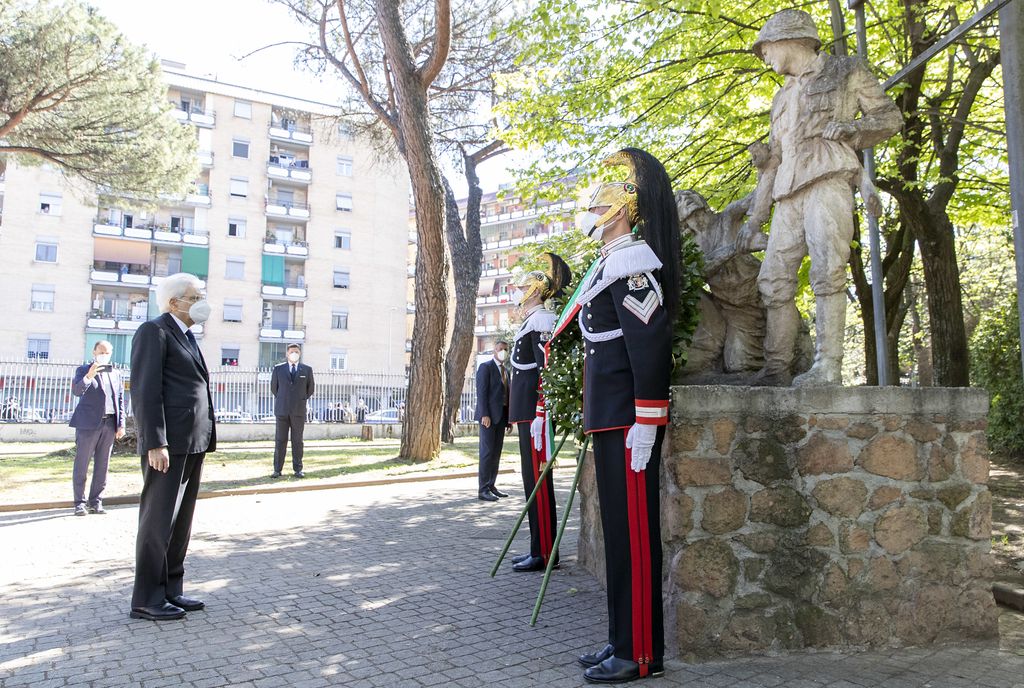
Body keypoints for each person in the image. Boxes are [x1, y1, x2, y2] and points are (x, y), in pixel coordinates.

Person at [742, 9, 902, 386]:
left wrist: (852, 127)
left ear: (786, 39)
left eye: (765, 48)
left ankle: (828, 366)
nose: (764, 57)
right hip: (787, 192)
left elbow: (890, 118)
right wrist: (754, 218)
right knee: (774, 279)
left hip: (828, 177)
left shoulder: (846, 70)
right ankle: (776, 368)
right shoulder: (780, 99)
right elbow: (774, 162)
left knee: (828, 269)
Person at [567, 148, 677, 683]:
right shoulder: (612, 265)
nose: (593, 214)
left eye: (600, 206)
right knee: (618, 537)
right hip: (609, 420)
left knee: (634, 536)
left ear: (620, 212)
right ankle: (620, 639)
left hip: (628, 422)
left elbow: (648, 348)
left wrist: (647, 420)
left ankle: (639, 655)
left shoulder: (633, 269)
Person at [129, 272, 216, 621]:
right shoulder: (154, 331)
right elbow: (146, 391)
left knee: (180, 522)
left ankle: (171, 590)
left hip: (193, 443)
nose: (201, 303)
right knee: (158, 521)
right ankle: (147, 598)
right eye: (195, 298)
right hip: (167, 445)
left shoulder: (188, 335)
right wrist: (155, 441)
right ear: (174, 302)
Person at [508, 253, 571, 572]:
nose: (517, 292)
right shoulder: (533, 321)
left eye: (522, 288)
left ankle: (546, 552)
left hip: (535, 417)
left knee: (538, 482)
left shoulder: (542, 321)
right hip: (526, 415)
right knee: (531, 481)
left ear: (534, 291)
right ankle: (538, 547)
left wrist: (541, 412)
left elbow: (546, 370)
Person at [68, 340, 125, 516]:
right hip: (88, 425)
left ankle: (96, 501)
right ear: (94, 352)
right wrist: (89, 376)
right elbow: (77, 391)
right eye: (101, 352)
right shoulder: (83, 370)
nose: (104, 355)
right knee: (82, 464)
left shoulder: (115, 373)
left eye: (107, 352)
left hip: (109, 424)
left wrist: (120, 424)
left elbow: (120, 400)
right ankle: (79, 503)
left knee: (102, 465)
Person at [270, 344, 315, 478]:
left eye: (296, 351)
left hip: (298, 411)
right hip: (282, 410)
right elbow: (274, 388)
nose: (294, 353)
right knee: (280, 440)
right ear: (287, 354)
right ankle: (277, 470)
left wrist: (299, 399)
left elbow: (310, 389)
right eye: (291, 352)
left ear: (299, 354)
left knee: (297, 441)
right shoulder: (278, 369)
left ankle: (298, 469)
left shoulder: (307, 370)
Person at [475, 341, 510, 502]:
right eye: (499, 349)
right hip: (488, 417)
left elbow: (507, 395)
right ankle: (482, 489)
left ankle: (491, 485)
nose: (502, 352)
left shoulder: (506, 371)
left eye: (504, 350)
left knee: (496, 453)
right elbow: (481, 393)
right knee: (487, 453)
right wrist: (484, 415)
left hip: (501, 417)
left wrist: (509, 419)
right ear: (494, 351)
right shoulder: (486, 367)